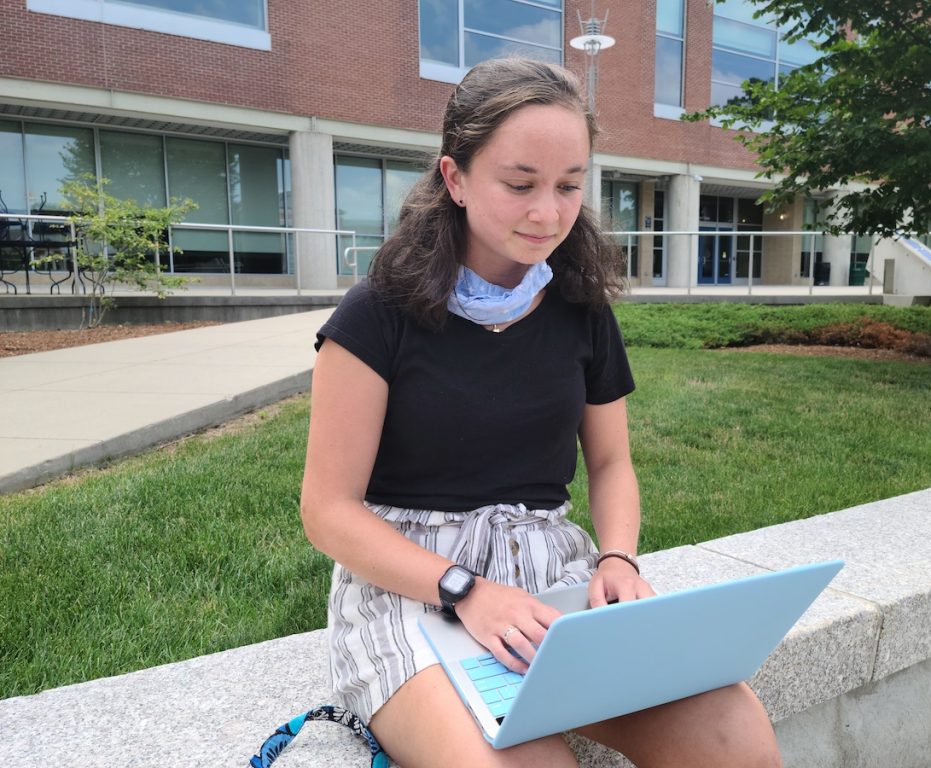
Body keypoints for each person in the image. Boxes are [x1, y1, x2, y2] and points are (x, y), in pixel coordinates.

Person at [300, 57, 783, 768]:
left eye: (568, 187)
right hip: (415, 588)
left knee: (730, 733)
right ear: (454, 178)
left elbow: (612, 462)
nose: (548, 213)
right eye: (520, 184)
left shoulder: (579, 309)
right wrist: (466, 590)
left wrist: (617, 557)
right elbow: (327, 511)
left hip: (551, 578)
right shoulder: (378, 315)